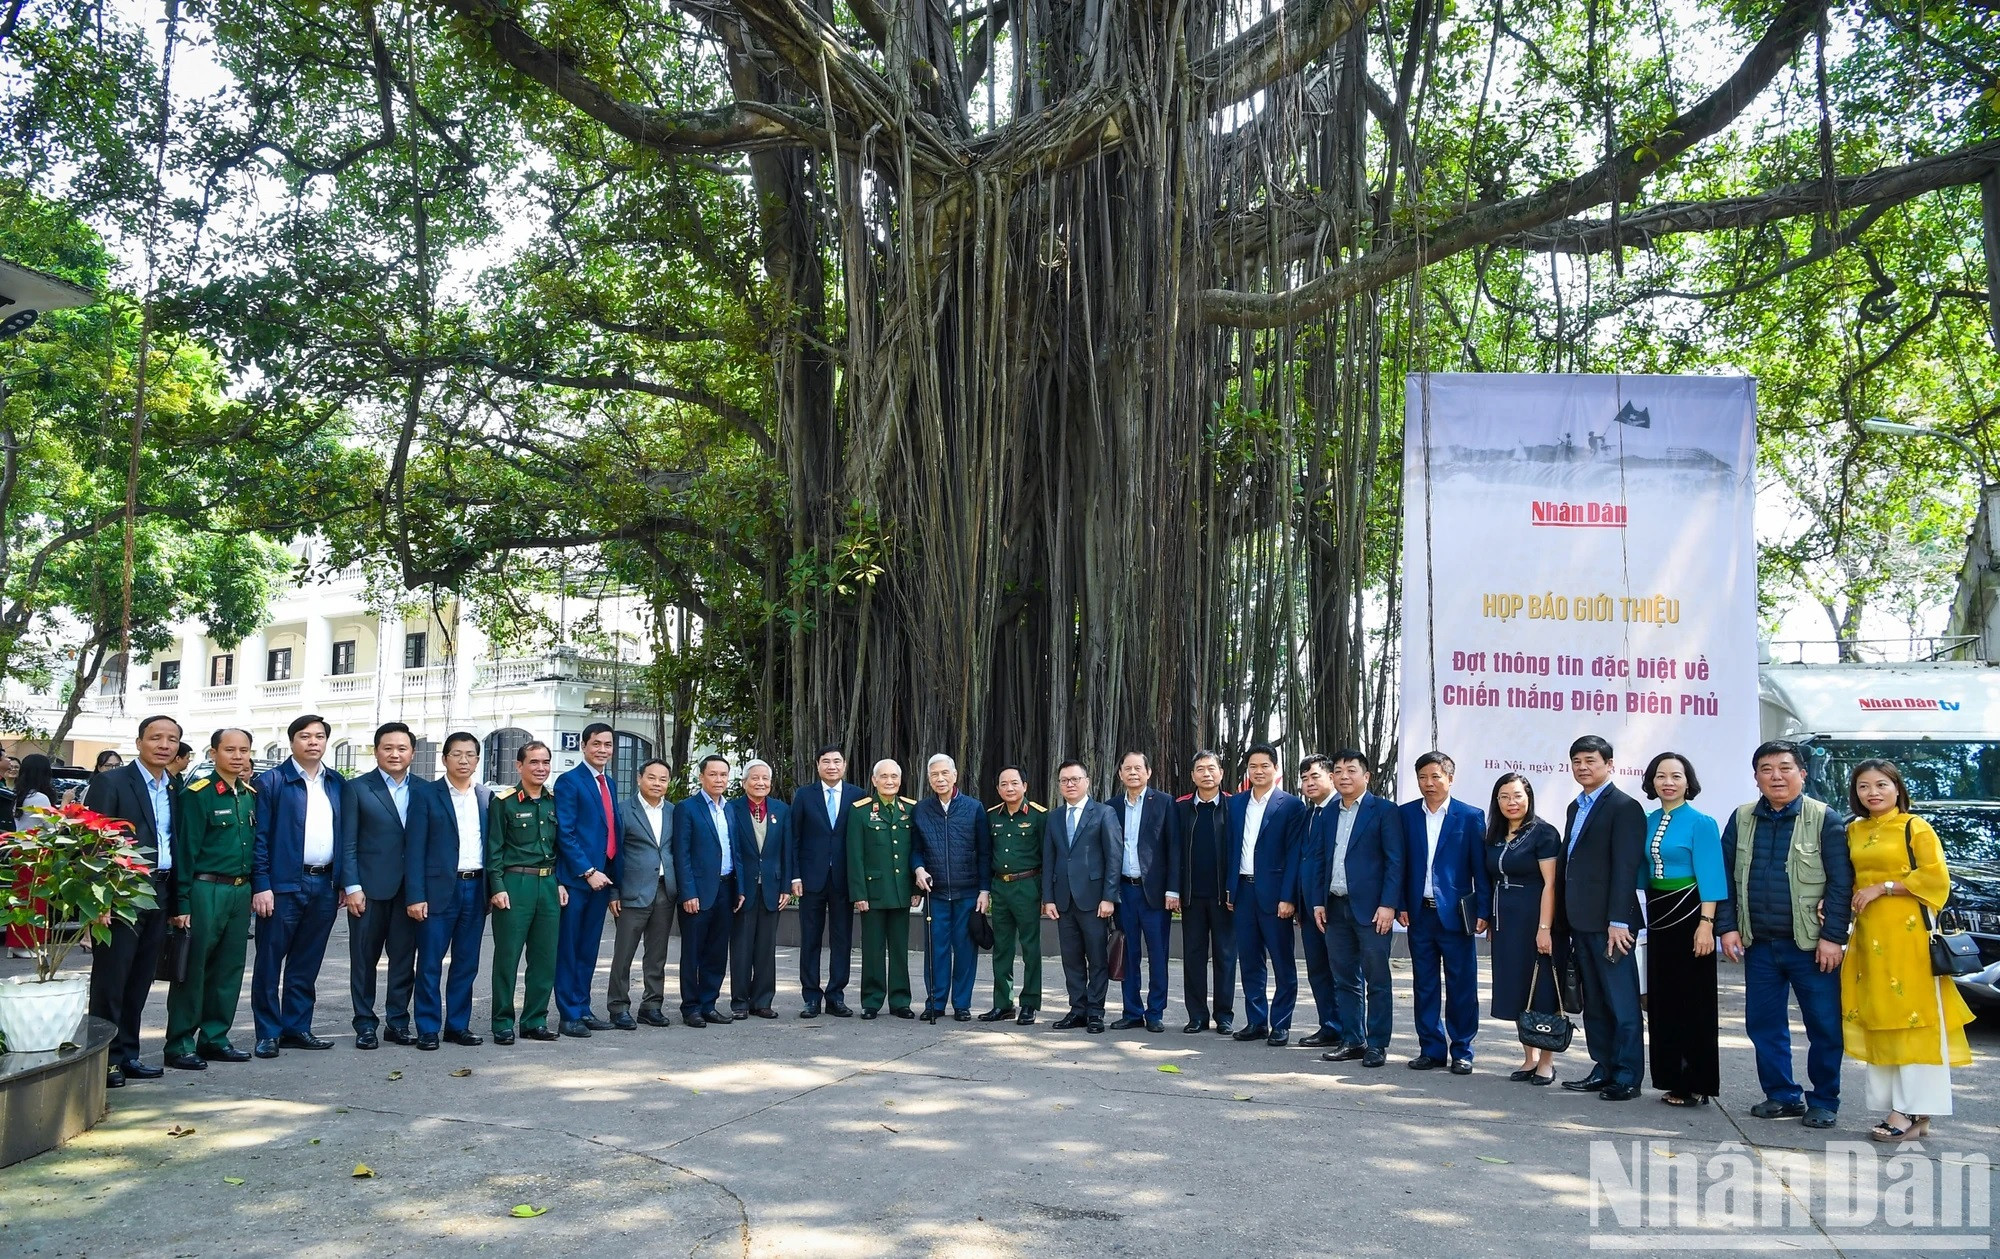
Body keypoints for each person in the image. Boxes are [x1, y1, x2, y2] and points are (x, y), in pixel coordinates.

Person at [1716, 740, 1854, 1129]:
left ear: (1802, 773)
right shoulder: (1742, 817)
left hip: (1811, 945)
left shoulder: (1824, 818)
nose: (1776, 776)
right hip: (1759, 943)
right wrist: (1726, 927)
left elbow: (1841, 884)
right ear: (1756, 776)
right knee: (1763, 1024)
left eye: (1784, 768)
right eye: (1766, 769)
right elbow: (1724, 878)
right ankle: (1781, 1094)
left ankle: (1824, 1099)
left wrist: (1833, 936)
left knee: (1823, 1026)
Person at [1843, 759, 1976, 1142]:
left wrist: (1883, 887)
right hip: (1870, 939)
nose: (1873, 792)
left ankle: (1910, 1108)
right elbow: (1849, 878)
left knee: (1915, 1018)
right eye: (1865, 786)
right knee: (1881, 1015)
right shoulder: (1854, 830)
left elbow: (1936, 876)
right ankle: (1911, 1112)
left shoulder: (1915, 827)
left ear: (1897, 788)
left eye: (1881, 785)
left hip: (1909, 936)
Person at [82, 714, 183, 1087]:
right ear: (139, 741)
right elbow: (94, 842)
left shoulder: (173, 785)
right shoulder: (111, 782)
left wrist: (177, 902)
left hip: (160, 891)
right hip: (121, 892)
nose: (164, 745)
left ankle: (129, 1053)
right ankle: (104, 1058)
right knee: (112, 979)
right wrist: (100, 900)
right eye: (156, 737)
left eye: (171, 739)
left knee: (141, 979)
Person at [249, 715, 345, 1059]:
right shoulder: (272, 782)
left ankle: (297, 1027)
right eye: (305, 736)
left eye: (320, 736)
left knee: (307, 961)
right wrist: (261, 884)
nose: (313, 742)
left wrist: (344, 881)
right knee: (270, 960)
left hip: (325, 883)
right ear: (292, 742)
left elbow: (346, 837)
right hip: (283, 885)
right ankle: (268, 1032)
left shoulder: (336, 782)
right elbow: (259, 839)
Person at [1559, 735, 1648, 1102]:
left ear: (1609, 765)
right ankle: (1603, 1066)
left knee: (1622, 1002)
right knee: (1594, 1000)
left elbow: (1626, 869)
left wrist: (1618, 920)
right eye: (1576, 760)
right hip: (1580, 920)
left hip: (1612, 925)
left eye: (1590, 760)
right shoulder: (1574, 806)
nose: (1583, 767)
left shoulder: (1624, 807)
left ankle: (1627, 1075)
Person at [163, 727, 258, 1070]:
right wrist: (182, 903)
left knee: (229, 969)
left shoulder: (247, 794)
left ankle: (215, 1038)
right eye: (229, 749)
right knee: (193, 968)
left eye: (243, 750)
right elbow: (185, 852)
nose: (237, 755)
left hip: (239, 890)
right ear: (213, 753)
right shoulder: (199, 793)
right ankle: (179, 1043)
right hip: (205, 889)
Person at [1303, 749, 1403, 1069]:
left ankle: (1376, 1043)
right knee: (1344, 978)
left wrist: (1389, 904)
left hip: (1372, 910)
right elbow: (1320, 858)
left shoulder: (1384, 811)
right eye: (1339, 771)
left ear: (1367, 776)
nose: (1344, 776)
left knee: (1376, 978)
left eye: (1352, 770)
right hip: (1334, 906)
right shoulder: (1328, 813)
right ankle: (1352, 1039)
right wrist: (1318, 901)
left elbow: (1395, 862)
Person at [1638, 752, 1726, 1106]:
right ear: (1652, 781)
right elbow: (1640, 871)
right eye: (1661, 776)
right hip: (1659, 916)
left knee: (1693, 1000)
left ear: (1688, 781)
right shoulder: (1647, 820)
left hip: (1691, 915)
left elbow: (1711, 876)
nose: (1668, 782)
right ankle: (1671, 1078)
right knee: (1662, 1000)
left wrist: (1706, 925)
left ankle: (1696, 1081)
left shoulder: (1701, 822)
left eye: (1676, 776)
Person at [1399, 750, 1489, 1073]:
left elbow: (1481, 868)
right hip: (1419, 914)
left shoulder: (1470, 816)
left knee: (1462, 984)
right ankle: (1431, 1049)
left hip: (1457, 915)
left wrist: (1483, 909)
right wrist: (1399, 904)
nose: (1429, 783)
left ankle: (1462, 1049)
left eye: (1436, 776)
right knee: (1424, 984)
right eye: (1423, 777)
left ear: (1451, 778)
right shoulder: (1406, 815)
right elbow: (1400, 864)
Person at [339, 721, 427, 1049]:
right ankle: (364, 1024)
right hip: (369, 889)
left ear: (412, 753)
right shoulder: (358, 788)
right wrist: (352, 886)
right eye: (388, 747)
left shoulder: (424, 789)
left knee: (404, 960)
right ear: (376, 751)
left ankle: (397, 1023)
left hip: (411, 891)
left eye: (401, 748)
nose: (395, 753)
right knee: (364, 960)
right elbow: (347, 842)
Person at [410, 732, 491, 1049]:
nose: (463, 760)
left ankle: (458, 1025)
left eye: (470, 754)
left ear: (477, 760)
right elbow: (414, 848)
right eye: (456, 754)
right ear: (444, 758)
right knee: (430, 962)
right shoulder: (427, 795)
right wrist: (415, 895)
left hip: (476, 888)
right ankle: (428, 1028)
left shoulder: (485, 797)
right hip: (437, 891)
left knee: (466, 963)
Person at [1482, 773, 1564, 1085]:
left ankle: (1547, 1060)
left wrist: (1545, 928)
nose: (1511, 802)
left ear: (1528, 797)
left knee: (1541, 986)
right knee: (1517, 988)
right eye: (1504, 796)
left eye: (1517, 795)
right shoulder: (1495, 834)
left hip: (1535, 917)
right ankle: (1529, 1057)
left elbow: (1551, 883)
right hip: (1505, 922)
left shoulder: (1543, 833)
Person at [1226, 744, 1307, 1046]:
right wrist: (1230, 889)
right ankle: (1256, 1020)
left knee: (1282, 960)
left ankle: (1281, 1023)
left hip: (1275, 896)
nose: (1258, 771)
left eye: (1264, 766)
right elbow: (1232, 849)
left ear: (1276, 769)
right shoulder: (1235, 804)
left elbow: (1294, 854)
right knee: (1249, 960)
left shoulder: (1291, 805)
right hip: (1243, 891)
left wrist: (1289, 897)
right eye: (1252, 766)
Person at [486, 740, 564, 1043]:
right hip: (515, 884)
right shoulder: (504, 802)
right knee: (508, 957)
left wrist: (560, 883)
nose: (541, 768)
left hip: (547, 883)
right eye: (534, 762)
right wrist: (497, 887)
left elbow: (560, 846)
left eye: (545, 762)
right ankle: (502, 1022)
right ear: (520, 766)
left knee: (544, 958)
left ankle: (535, 1020)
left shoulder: (554, 800)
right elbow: (494, 848)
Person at [911, 754, 991, 1023]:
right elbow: (915, 850)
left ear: (955, 775)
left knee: (966, 949)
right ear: (929, 778)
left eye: (945, 773)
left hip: (968, 892)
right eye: (934, 774)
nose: (940, 779)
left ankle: (962, 1004)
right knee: (936, 950)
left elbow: (984, 852)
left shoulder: (973, 807)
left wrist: (984, 889)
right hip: (936, 894)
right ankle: (935, 1002)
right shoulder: (921, 809)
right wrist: (918, 868)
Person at [553, 723, 621, 1037]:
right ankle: (568, 1015)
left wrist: (610, 880)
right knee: (569, 949)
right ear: (584, 746)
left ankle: (583, 1008)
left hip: (602, 882)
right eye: (597, 744)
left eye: (608, 744)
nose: (603, 750)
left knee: (589, 949)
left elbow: (612, 833)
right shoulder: (570, 782)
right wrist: (588, 872)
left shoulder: (608, 782)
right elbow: (565, 834)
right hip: (579, 881)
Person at [1042, 760, 1119, 1033]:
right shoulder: (1053, 817)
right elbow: (1049, 859)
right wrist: (1048, 898)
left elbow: (1114, 857)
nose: (1070, 784)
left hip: (1094, 900)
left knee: (1097, 958)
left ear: (1087, 781)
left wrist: (1109, 897)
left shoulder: (1104, 813)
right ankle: (1077, 1009)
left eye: (1075, 779)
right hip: (1063, 901)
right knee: (1071, 959)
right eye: (1064, 780)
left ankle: (1096, 1012)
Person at [787, 744, 863, 1018]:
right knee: (810, 939)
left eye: (837, 761)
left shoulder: (859, 795)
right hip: (811, 879)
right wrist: (794, 875)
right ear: (817, 765)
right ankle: (810, 997)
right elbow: (794, 839)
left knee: (842, 939)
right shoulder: (805, 795)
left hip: (844, 879)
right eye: (826, 761)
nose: (832, 766)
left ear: (844, 765)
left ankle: (836, 996)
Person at [1108, 752, 1179, 1034]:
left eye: (1138, 768)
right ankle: (1132, 1011)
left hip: (1155, 894)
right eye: (1128, 768)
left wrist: (1173, 889)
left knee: (1158, 954)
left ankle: (1155, 1011)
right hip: (1125, 891)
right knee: (1129, 953)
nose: (1133, 773)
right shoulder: (1111, 807)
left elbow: (1174, 849)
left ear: (1148, 772)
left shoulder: (1164, 803)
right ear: (1120, 775)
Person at [674, 754, 743, 1026]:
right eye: (712, 774)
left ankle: (709, 1003)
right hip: (698, 892)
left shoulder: (729, 809)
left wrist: (740, 887)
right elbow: (681, 853)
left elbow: (735, 850)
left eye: (723, 775)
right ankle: (690, 1007)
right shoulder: (687, 808)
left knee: (716, 952)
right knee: (692, 952)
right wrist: (688, 892)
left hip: (726, 888)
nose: (718, 779)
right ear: (701, 777)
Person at [608, 757, 677, 1029]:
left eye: (663, 779)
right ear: (639, 778)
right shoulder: (623, 811)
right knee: (623, 953)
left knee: (657, 954)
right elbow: (613, 855)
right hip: (631, 892)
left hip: (664, 891)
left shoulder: (674, 811)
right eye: (652, 777)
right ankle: (618, 1006)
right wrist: (613, 892)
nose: (657, 783)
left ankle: (651, 1005)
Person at [847, 759, 917, 1020]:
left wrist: (915, 888)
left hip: (900, 892)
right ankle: (872, 1000)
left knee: (900, 949)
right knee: (873, 949)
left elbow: (913, 852)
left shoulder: (910, 809)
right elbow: (855, 856)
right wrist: (859, 893)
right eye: (884, 777)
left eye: (894, 777)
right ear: (874, 780)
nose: (890, 781)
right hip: (873, 892)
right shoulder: (861, 811)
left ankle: (901, 1001)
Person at [1175, 751, 1234, 1034]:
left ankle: (1224, 1015)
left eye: (1212, 768)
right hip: (1192, 896)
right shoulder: (1181, 808)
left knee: (1225, 955)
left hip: (1225, 897)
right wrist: (1174, 890)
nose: (1206, 774)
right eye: (1200, 769)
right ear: (1193, 776)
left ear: (1221, 773)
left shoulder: (1234, 806)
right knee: (1194, 956)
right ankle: (1197, 1015)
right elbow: (1173, 852)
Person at [981, 765, 1045, 1025]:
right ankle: (1002, 1004)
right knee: (1002, 948)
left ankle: (1029, 1003)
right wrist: (985, 890)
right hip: (1000, 887)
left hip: (1027, 886)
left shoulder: (1039, 816)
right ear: (997, 788)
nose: (1009, 788)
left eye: (1014, 783)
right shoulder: (991, 816)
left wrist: (1045, 895)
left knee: (1030, 948)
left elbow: (1047, 856)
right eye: (1004, 784)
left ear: (1025, 786)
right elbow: (986, 855)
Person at [728, 759, 790, 1019]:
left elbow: (788, 850)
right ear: (744, 783)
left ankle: (763, 1001)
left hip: (772, 887)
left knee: (766, 948)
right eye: (755, 778)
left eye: (765, 778)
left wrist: (786, 885)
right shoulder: (731, 809)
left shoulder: (781, 810)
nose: (760, 782)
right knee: (741, 947)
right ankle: (740, 1002)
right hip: (743, 889)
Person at [1293, 754, 1342, 1047]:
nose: (1309, 783)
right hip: (1309, 907)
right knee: (1318, 970)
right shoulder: (1308, 813)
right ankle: (1329, 1025)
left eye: (1315, 776)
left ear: (1331, 777)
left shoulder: (1341, 809)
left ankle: (1350, 1029)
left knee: (1343, 972)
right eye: (1304, 778)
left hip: (1333, 907)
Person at [5, 752, 54, 959]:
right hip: (38, 852)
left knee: (21, 897)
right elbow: (52, 826)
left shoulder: (20, 795)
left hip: (20, 850)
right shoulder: (40, 798)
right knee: (36, 900)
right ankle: (26, 944)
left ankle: (15, 943)